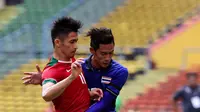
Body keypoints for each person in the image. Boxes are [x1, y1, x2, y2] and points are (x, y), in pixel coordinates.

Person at [22, 27, 128, 112]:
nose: (108, 58)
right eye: (103, 54)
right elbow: (67, 88)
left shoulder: (120, 72)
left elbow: (105, 102)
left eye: (111, 53)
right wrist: (44, 78)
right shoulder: (78, 67)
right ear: (92, 51)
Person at [23, 16, 102, 112]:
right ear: (58, 42)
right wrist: (71, 77)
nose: (76, 46)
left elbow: (70, 93)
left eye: (76, 41)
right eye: (72, 42)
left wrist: (88, 94)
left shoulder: (71, 60)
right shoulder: (52, 70)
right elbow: (46, 95)